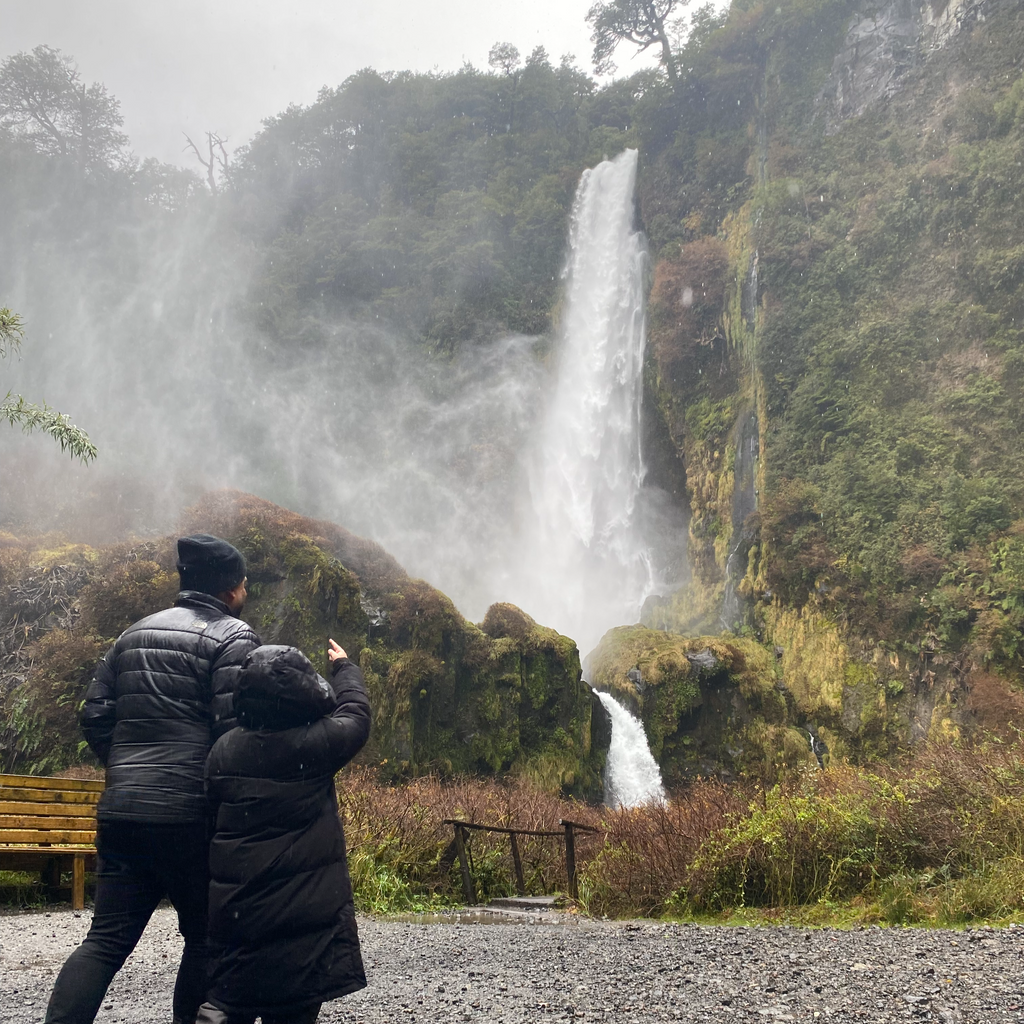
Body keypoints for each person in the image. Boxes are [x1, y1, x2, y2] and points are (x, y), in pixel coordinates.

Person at [45, 534, 261, 1024]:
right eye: (244, 582)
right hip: (190, 818)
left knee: (104, 941)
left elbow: (96, 714)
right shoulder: (232, 637)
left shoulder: (132, 634)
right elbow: (235, 734)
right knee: (204, 937)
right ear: (230, 588)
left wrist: (125, 766)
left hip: (123, 813)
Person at [195, 640, 371, 1024]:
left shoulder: (223, 750)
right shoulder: (317, 743)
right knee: (295, 1006)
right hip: (301, 914)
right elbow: (356, 714)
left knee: (235, 995)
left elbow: (209, 814)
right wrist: (344, 669)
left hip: (239, 909)